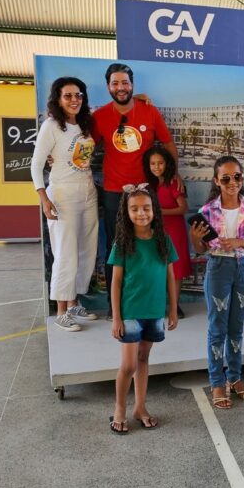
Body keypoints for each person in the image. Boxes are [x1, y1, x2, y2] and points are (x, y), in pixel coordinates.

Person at [92, 63, 178, 311]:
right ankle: (114, 305)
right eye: (115, 83)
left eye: (125, 82)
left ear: (132, 85)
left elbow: (168, 143)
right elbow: (83, 145)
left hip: (145, 192)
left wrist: (173, 174)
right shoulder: (100, 117)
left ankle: (158, 301)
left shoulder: (149, 111)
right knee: (114, 247)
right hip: (113, 192)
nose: (121, 87)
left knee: (153, 242)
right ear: (108, 86)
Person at [190, 155, 244, 409]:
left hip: (243, 267)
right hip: (218, 267)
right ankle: (217, 382)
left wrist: (238, 242)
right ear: (216, 180)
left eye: (237, 177)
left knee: (237, 327)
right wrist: (196, 238)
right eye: (226, 178)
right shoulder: (207, 211)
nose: (233, 182)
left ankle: (234, 378)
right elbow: (200, 250)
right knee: (217, 328)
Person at [108, 185, 179, 434]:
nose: (141, 213)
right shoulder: (122, 242)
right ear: (126, 212)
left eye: (146, 208)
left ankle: (140, 407)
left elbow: (170, 275)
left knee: (143, 358)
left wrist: (172, 308)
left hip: (155, 311)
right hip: (130, 312)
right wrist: (116, 317)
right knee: (128, 365)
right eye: (134, 208)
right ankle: (119, 408)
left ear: (154, 211)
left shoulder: (163, 240)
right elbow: (116, 282)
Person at [32, 77, 99, 331]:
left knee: (86, 250)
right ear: (58, 99)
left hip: (88, 192)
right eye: (68, 96)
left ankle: (73, 304)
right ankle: (61, 311)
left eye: (78, 95)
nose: (74, 100)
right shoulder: (51, 126)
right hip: (62, 194)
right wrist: (44, 199)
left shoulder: (84, 124)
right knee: (65, 252)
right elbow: (36, 164)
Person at [143, 145, 190, 317]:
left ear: (167, 163)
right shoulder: (150, 185)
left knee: (176, 269)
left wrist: (160, 212)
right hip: (155, 232)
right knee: (157, 268)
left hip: (174, 231)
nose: (156, 167)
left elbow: (183, 208)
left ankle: (174, 306)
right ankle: (158, 304)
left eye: (160, 163)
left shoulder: (173, 182)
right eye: (153, 164)